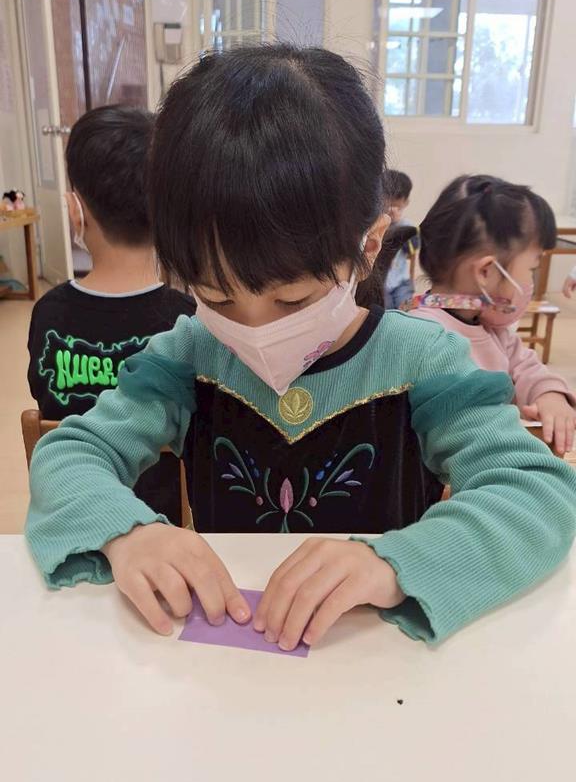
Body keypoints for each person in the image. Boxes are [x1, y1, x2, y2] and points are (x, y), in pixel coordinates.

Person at [26, 46, 576, 651]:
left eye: (292, 300)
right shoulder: (187, 353)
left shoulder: (425, 361)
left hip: (370, 658)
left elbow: (537, 493)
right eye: (216, 295)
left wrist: (396, 561)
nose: (255, 327)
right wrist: (126, 532)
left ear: (369, 247)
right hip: (231, 653)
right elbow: (70, 452)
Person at [27, 104, 196, 523]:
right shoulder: (188, 320)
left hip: (74, 515)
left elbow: (42, 399)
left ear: (76, 210)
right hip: (166, 526)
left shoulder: (48, 314)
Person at [410, 175, 576, 456]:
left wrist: (550, 395)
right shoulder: (425, 336)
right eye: (532, 269)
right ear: (486, 272)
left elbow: (528, 368)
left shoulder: (493, 330)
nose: (531, 281)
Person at [382, 170, 417, 310]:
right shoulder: (376, 223)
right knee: (385, 309)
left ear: (406, 203)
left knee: (406, 307)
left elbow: (412, 253)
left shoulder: (407, 226)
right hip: (381, 282)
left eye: (397, 207)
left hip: (402, 281)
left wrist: (399, 228)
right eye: (388, 206)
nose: (392, 210)